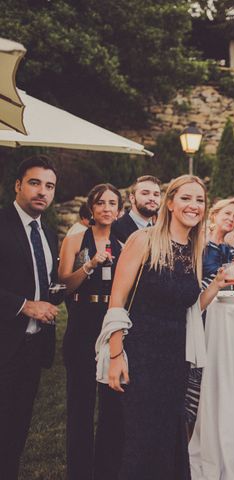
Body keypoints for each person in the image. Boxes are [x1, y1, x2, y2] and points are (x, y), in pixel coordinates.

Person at [104, 175, 233, 479]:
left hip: (176, 357)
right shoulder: (143, 240)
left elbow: (188, 309)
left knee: (169, 437)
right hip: (140, 354)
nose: (194, 205)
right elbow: (117, 301)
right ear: (170, 203)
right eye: (186, 198)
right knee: (141, 440)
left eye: (200, 200)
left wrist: (215, 285)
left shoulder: (194, 248)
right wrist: (115, 355)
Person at [58, 184, 123, 480]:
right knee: (80, 406)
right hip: (82, 323)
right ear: (91, 208)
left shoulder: (125, 243)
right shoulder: (75, 240)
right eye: (100, 202)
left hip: (111, 326)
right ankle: (79, 472)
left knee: (112, 408)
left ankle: (106, 471)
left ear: (120, 210)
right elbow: (61, 288)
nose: (107, 208)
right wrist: (90, 265)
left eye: (112, 203)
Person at [0, 156, 60, 480]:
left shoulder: (48, 234)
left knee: (16, 432)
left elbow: (43, 282)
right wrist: (24, 305)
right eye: (35, 183)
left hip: (33, 348)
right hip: (3, 344)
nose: (42, 192)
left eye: (49, 186)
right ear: (18, 185)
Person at [185, 198, 234, 433]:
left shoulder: (231, 249)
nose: (231, 219)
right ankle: (190, 426)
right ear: (213, 215)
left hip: (224, 317)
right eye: (227, 214)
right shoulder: (198, 242)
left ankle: (213, 424)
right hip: (200, 313)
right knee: (196, 371)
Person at [111, 175, 161, 244]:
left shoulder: (162, 229)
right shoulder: (115, 229)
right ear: (132, 198)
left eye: (156, 195)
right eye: (145, 193)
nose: (152, 198)